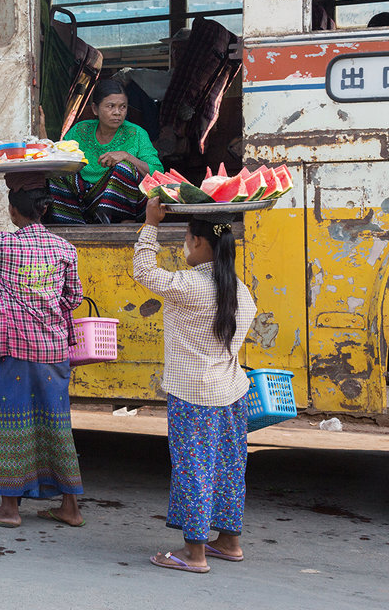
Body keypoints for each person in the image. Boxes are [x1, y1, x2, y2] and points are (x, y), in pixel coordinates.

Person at [0, 167, 86, 528]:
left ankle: (9, 510)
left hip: (19, 351)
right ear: (43, 210)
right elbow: (74, 298)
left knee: (13, 426)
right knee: (58, 425)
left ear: (13, 210)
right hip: (55, 351)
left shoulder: (3, 246)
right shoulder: (64, 248)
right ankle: (70, 507)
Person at [132, 199, 257, 574]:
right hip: (231, 393)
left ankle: (194, 553)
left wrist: (151, 224)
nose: (184, 245)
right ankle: (229, 542)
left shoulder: (189, 285)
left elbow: (143, 270)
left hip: (194, 395)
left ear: (202, 244)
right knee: (228, 466)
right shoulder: (242, 292)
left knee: (193, 468)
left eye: (186, 238)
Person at [48, 79, 163, 224]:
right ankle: (72, 224)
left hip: (126, 204)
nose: (117, 113)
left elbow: (157, 172)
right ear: (95, 109)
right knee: (56, 171)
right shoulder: (80, 130)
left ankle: (121, 222)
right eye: (110, 106)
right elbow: (58, 155)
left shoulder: (137, 134)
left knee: (124, 168)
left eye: (123, 107)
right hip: (86, 199)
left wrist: (127, 156)